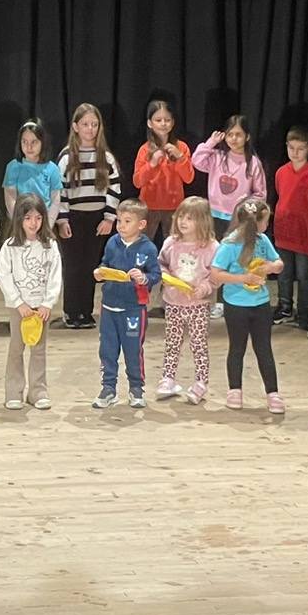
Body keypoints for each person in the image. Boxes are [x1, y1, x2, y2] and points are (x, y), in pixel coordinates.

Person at [209, 197, 285, 412]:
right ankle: (235, 390)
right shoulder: (230, 244)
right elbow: (216, 274)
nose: (267, 225)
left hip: (260, 303)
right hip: (236, 305)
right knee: (237, 347)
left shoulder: (263, 240)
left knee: (264, 348)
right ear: (257, 222)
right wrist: (244, 278)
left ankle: (273, 393)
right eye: (266, 221)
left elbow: (279, 263)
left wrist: (271, 267)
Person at [55, 102, 121, 330]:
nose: (90, 129)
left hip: (97, 219)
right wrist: (62, 220)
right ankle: (71, 311)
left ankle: (85, 311)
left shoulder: (106, 157)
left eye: (94, 124)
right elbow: (60, 190)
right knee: (73, 266)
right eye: (85, 124)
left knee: (90, 266)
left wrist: (109, 218)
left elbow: (114, 188)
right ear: (75, 126)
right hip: (73, 218)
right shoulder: (66, 157)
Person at [92, 199, 161, 410]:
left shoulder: (148, 248)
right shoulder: (112, 242)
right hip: (109, 306)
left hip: (134, 308)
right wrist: (100, 272)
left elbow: (156, 274)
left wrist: (144, 278)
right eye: (119, 220)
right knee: (107, 350)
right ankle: (108, 388)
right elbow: (105, 264)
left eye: (127, 221)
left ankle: (136, 389)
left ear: (141, 224)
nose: (121, 225)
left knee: (133, 350)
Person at [0, 194, 62, 411]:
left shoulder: (50, 245)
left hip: (41, 308)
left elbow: (55, 276)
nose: (33, 223)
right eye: (28, 218)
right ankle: (13, 392)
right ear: (19, 219)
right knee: (17, 348)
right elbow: (3, 274)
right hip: (20, 308)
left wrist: (47, 303)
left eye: (38, 218)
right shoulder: (10, 246)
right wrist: (18, 303)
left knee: (39, 349)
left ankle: (38, 392)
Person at [156, 197, 217, 404]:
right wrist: (166, 277)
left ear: (203, 221)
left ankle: (201, 381)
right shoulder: (171, 243)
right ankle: (168, 378)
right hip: (173, 303)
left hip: (198, 306)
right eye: (181, 216)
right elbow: (161, 264)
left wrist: (204, 288)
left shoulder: (211, 247)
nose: (183, 221)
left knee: (198, 344)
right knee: (172, 342)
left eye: (190, 218)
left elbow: (215, 275)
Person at [272, 127, 308, 330]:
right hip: (284, 233)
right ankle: (285, 308)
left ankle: (304, 314)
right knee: (284, 273)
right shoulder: (281, 172)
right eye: (291, 148)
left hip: (305, 235)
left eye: (300, 149)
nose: (295, 153)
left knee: (304, 276)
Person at [193, 115, 267, 240]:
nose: (233, 138)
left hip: (238, 219)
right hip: (213, 215)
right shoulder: (217, 157)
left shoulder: (253, 163)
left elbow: (260, 194)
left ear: (247, 137)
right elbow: (196, 160)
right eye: (230, 134)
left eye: (238, 135)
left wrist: (245, 204)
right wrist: (211, 142)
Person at [131, 99, 193, 244]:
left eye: (167, 120)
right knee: (142, 244)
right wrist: (152, 164)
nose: (163, 124)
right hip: (148, 206)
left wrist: (180, 157)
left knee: (174, 245)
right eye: (158, 120)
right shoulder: (145, 149)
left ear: (173, 122)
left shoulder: (181, 147)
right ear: (149, 123)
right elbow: (137, 182)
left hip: (175, 207)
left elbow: (189, 178)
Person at [2, 119, 63, 214]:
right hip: (19, 219)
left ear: (42, 142)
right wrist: (18, 220)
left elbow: (55, 201)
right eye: (24, 142)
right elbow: (11, 198)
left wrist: (49, 222)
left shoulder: (52, 169)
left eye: (34, 142)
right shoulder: (13, 167)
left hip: (44, 219)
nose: (29, 147)